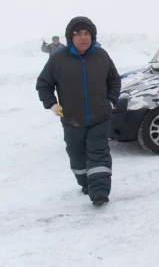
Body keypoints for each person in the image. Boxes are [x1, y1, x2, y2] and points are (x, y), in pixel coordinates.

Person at [36, 17, 121, 206]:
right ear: (70, 37)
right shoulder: (58, 59)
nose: (83, 38)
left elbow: (114, 80)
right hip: (72, 120)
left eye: (87, 34)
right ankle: (86, 183)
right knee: (76, 155)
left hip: (100, 117)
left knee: (98, 153)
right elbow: (44, 85)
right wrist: (52, 104)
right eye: (79, 34)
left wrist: (111, 102)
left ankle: (100, 191)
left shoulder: (101, 56)